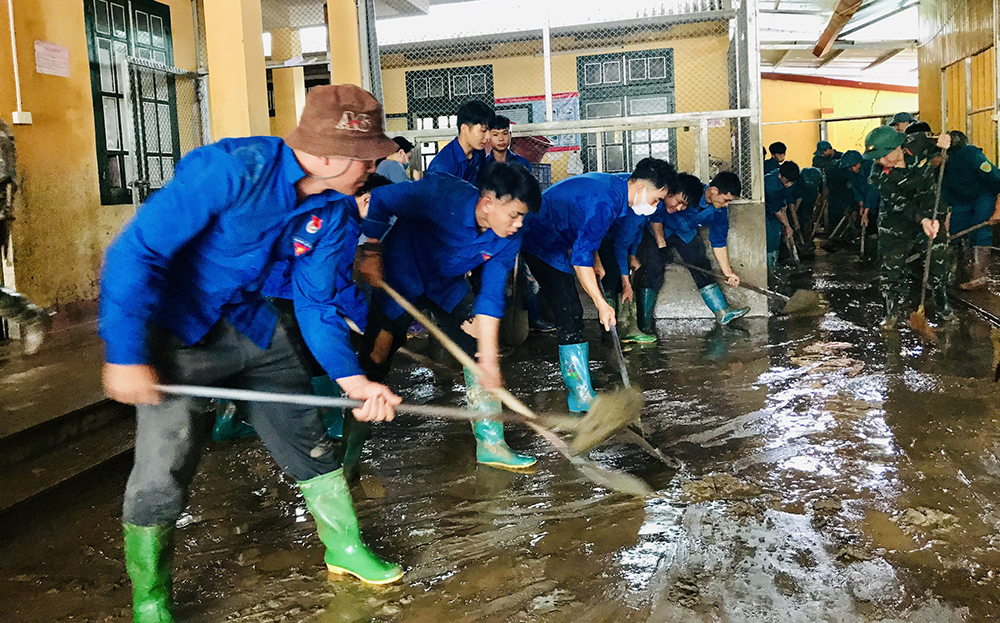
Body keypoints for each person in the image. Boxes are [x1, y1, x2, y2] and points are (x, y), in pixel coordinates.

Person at [99, 85, 409, 622]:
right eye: (371, 156)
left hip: (251, 324)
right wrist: (125, 353)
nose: (378, 165)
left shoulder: (336, 208)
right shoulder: (229, 170)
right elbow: (136, 252)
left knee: (307, 436)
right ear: (334, 156)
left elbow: (314, 303)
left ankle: (344, 547)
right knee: (163, 466)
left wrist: (352, 380)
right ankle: (150, 598)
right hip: (178, 331)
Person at [350, 162, 542, 475]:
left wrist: (489, 360)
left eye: (522, 216)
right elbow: (383, 198)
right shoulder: (440, 194)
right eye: (514, 214)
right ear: (488, 202)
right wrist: (372, 248)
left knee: (475, 345)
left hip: (446, 285)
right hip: (401, 275)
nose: (519, 224)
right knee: (376, 354)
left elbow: (491, 295)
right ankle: (349, 452)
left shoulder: (507, 235)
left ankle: (491, 445)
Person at [520, 158, 675, 412]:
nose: (655, 205)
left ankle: (580, 389)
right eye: (656, 199)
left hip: (559, 236)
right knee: (569, 312)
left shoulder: (619, 187)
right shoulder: (607, 201)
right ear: (641, 189)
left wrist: (596, 260)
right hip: (540, 238)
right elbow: (581, 257)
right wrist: (602, 304)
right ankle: (579, 394)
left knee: (568, 307)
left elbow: (586, 227)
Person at [865, 125, 954, 329]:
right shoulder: (878, 174)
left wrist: (948, 140)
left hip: (932, 214)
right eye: (877, 158)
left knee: (938, 262)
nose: (880, 161)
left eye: (884, 156)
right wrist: (922, 220)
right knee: (891, 268)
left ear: (897, 146)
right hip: (896, 221)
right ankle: (891, 314)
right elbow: (900, 204)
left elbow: (957, 141)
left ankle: (943, 307)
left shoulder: (918, 141)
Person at [632, 172, 707, 335]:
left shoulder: (697, 196)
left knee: (701, 262)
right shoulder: (656, 198)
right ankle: (644, 324)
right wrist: (662, 246)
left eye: (684, 206)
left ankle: (722, 311)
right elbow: (655, 221)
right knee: (650, 268)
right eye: (679, 202)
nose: (679, 208)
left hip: (683, 234)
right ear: (670, 191)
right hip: (655, 235)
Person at [942, 130, 1000, 290]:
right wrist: (947, 214)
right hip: (960, 200)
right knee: (954, 231)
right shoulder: (936, 168)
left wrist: (999, 206)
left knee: (980, 227)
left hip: (983, 196)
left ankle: (979, 276)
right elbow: (943, 194)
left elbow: (996, 178)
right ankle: (955, 271)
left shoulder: (971, 155)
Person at [426, 100, 494, 183]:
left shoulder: (479, 153)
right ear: (464, 128)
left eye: (489, 131)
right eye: (483, 131)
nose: (488, 137)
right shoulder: (443, 167)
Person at [764, 161, 799, 268]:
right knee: (769, 238)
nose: (789, 185)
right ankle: (770, 268)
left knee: (776, 237)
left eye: (792, 182)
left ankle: (775, 264)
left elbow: (783, 205)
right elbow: (776, 210)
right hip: (765, 210)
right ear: (780, 175)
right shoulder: (770, 185)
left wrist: (785, 222)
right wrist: (787, 226)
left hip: (776, 209)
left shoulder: (788, 179)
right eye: (787, 182)